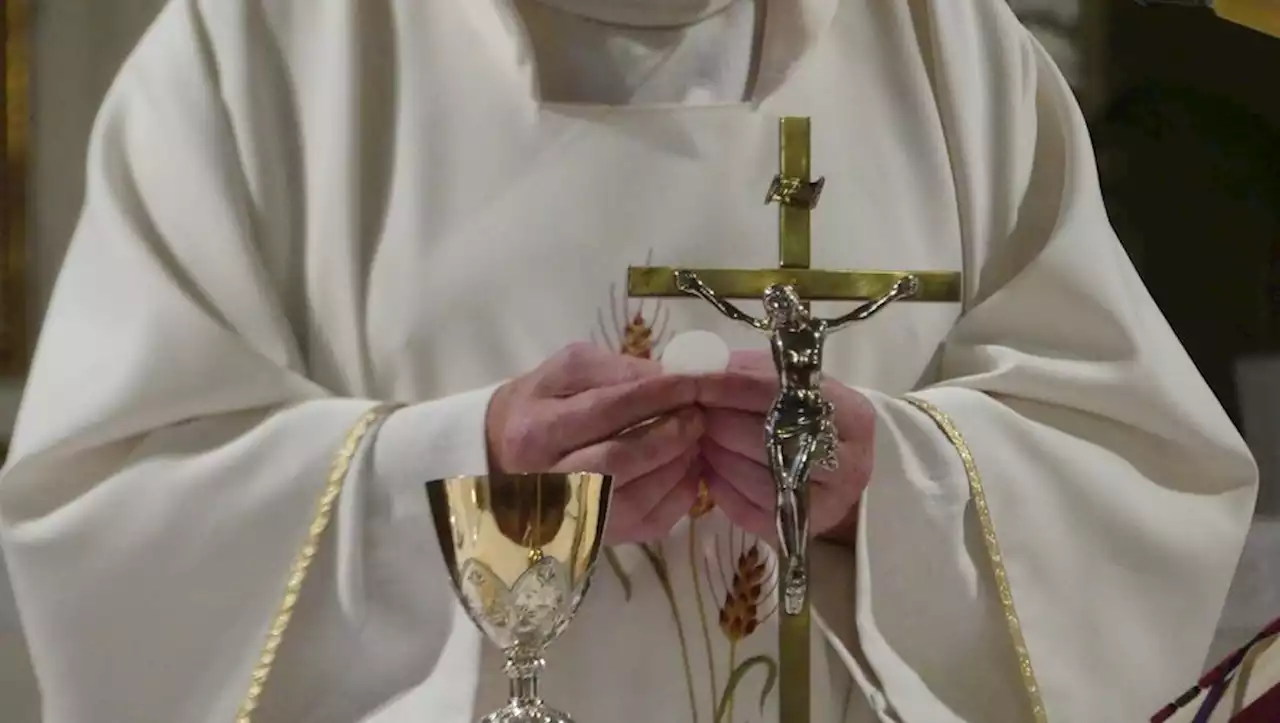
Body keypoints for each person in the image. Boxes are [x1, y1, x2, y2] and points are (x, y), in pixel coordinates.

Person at [0, 0, 1257, 722]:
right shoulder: (261, 46)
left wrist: (898, 485)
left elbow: (1135, 464)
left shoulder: (948, 44)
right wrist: (467, 478)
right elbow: (109, 511)